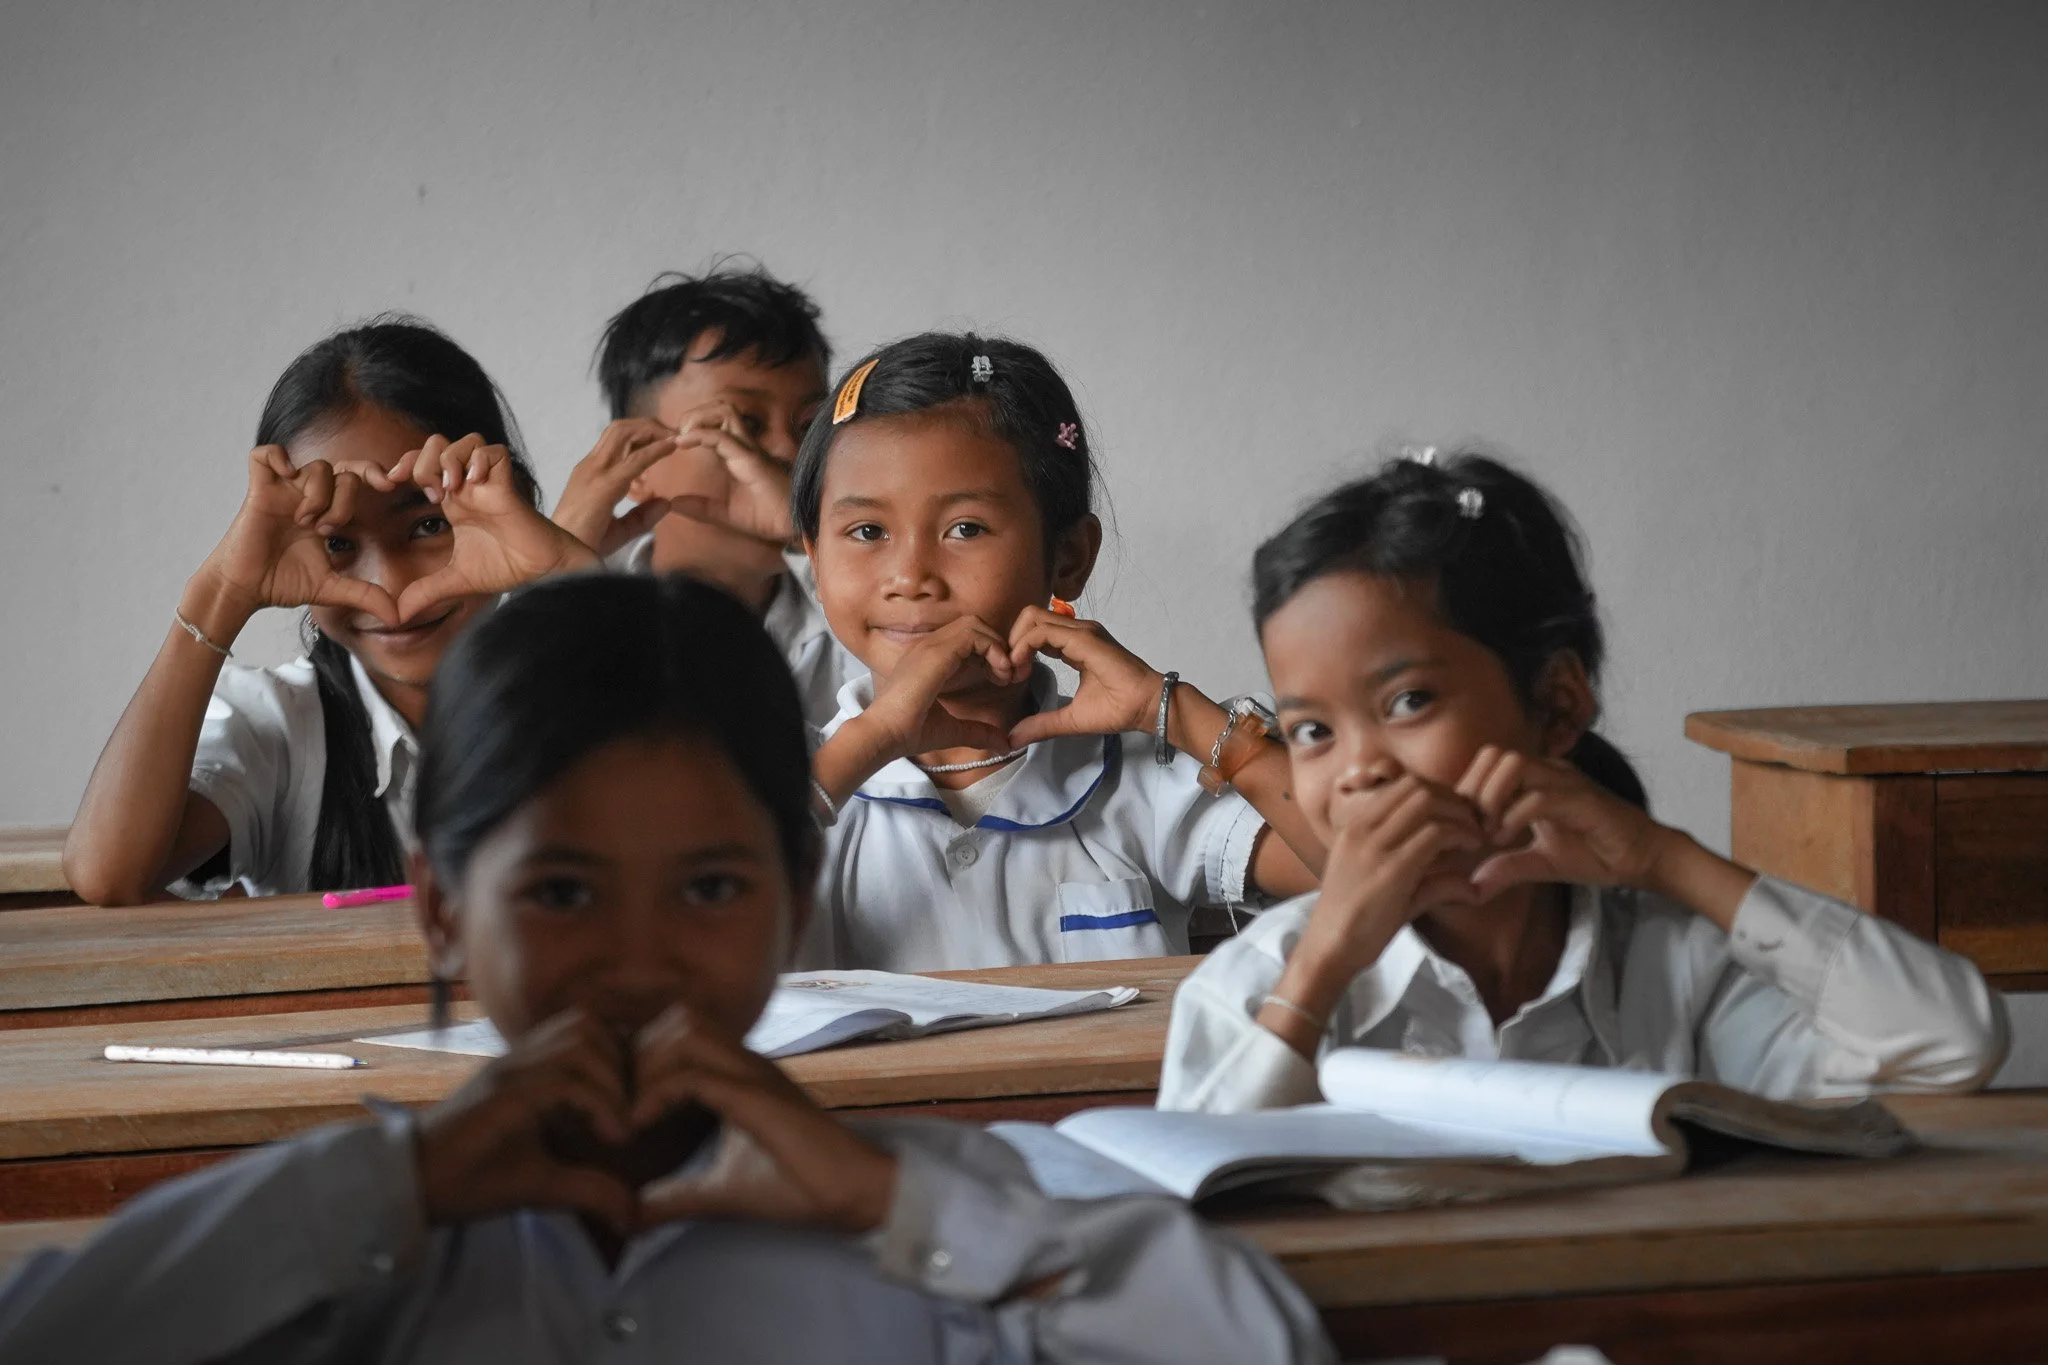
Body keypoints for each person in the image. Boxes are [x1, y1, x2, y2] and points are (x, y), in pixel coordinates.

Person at [0, 575, 1334, 1364]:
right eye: (564, 890)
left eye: (709, 887)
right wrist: (390, 1184)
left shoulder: (931, 1213)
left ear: (793, 903)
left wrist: (883, 1195)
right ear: (448, 919)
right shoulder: (367, 1242)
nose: (640, 957)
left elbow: (1266, 1349)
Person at [1158, 450, 2008, 1112]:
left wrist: (1667, 860)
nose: (1358, 768)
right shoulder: (1255, 983)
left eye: (1409, 699)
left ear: (1558, 703)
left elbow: (1951, 1043)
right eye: (1312, 730)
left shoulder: (1675, 964)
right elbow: (1191, 1225)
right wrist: (1324, 965)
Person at [796, 333, 1323, 971]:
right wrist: (871, 740)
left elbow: (1384, 876)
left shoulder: (1142, 778)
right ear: (815, 560)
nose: (909, 576)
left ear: (1069, 556)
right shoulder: (785, 782)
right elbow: (668, 925)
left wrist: (1173, 710)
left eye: (966, 529)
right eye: (866, 531)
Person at [63, 317, 598, 904]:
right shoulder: (276, 730)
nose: (392, 588)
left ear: (510, 503)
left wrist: (568, 571)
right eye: (337, 543)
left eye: (427, 525)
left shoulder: (593, 700)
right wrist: (221, 592)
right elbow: (108, 875)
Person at [551, 262, 859, 725]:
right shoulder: (574, 609)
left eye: (809, 426)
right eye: (742, 424)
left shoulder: (864, 609)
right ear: (637, 458)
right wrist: (547, 580)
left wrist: (808, 536)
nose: (789, 451)